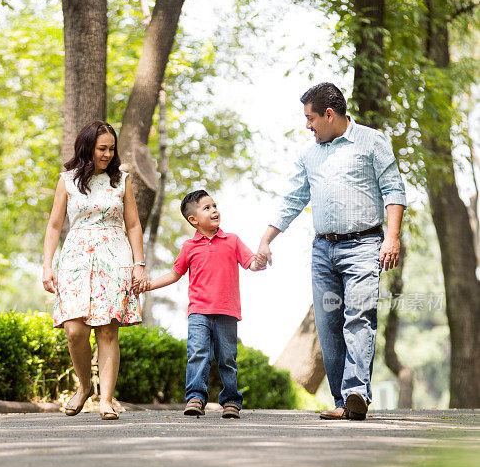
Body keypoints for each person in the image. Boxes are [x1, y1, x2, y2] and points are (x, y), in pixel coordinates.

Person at [257, 82, 407, 421]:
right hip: (323, 250)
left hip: (365, 245)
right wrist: (266, 240)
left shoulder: (372, 141)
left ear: (329, 114)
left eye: (310, 119)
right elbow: (294, 199)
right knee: (328, 325)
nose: (307, 126)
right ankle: (343, 401)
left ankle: (357, 391)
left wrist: (392, 237)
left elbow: (393, 188)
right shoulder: (310, 155)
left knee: (358, 317)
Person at [42, 120, 148, 420]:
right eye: (102, 148)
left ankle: (106, 399)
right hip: (75, 257)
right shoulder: (68, 180)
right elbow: (54, 225)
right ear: (87, 147)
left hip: (114, 256)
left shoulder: (121, 180)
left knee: (107, 330)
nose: (107, 154)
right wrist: (47, 264)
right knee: (74, 330)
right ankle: (85, 385)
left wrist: (139, 264)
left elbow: (133, 225)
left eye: (111, 149)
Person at [145, 190, 266, 419]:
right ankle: (195, 398)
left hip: (227, 312)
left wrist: (260, 261)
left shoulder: (232, 240)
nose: (214, 210)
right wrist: (148, 285)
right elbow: (174, 274)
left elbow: (251, 263)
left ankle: (231, 400)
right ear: (193, 220)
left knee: (227, 358)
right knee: (198, 353)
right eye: (207, 208)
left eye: (214, 205)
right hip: (198, 312)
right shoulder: (189, 247)